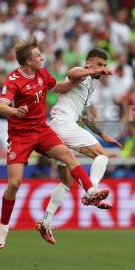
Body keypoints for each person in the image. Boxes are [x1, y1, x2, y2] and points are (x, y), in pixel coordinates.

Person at [0, 36, 109, 249]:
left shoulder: (42, 74)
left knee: (67, 157)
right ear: (29, 61)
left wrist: (79, 79)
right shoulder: (13, 80)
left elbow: (61, 86)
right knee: (14, 183)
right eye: (38, 56)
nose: (42, 57)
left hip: (42, 129)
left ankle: (91, 192)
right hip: (20, 136)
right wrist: (14, 111)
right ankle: (3, 227)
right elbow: (1, 107)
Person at [38, 49, 121, 243]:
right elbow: (72, 74)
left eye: (104, 65)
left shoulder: (89, 84)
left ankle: (46, 220)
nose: (103, 69)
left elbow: (84, 115)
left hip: (57, 128)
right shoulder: (81, 72)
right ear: (89, 63)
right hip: (64, 125)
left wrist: (102, 134)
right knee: (102, 155)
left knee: (66, 182)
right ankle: (93, 191)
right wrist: (91, 70)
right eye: (100, 64)